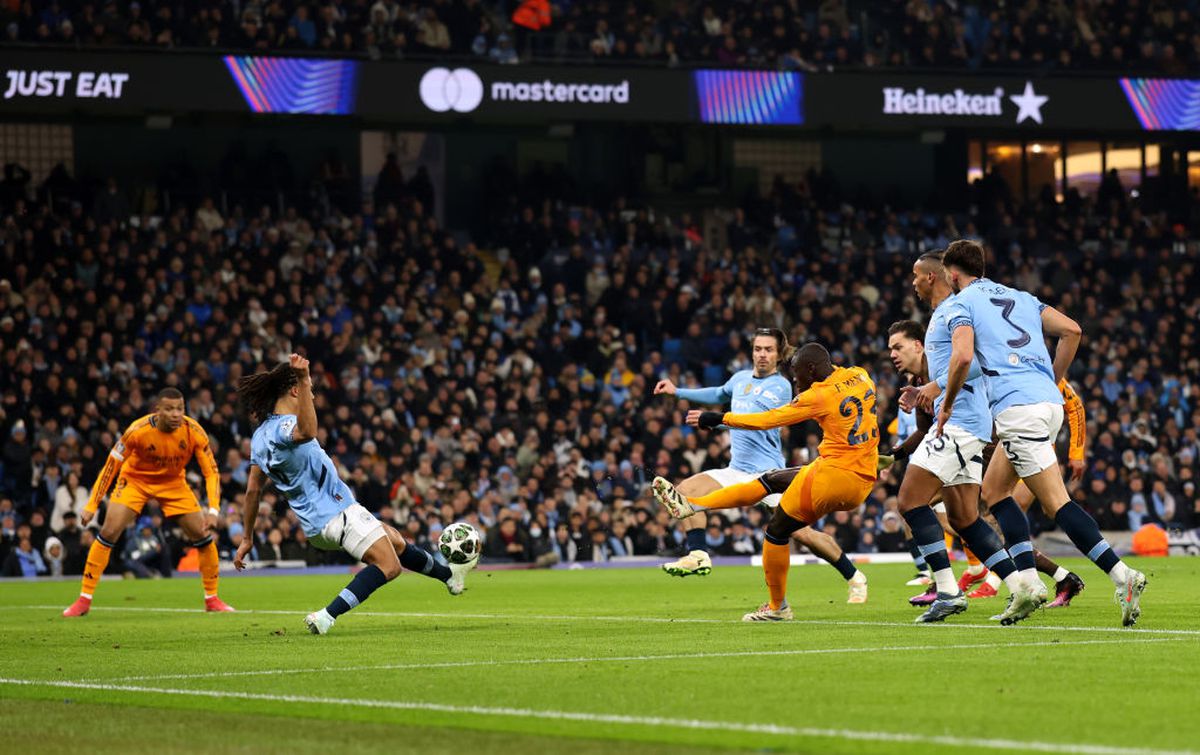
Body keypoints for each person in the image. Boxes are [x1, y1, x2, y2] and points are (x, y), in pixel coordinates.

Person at [934, 239, 1146, 627]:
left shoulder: (961, 302)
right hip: (1048, 405)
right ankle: (1028, 585)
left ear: (952, 275)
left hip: (1018, 410)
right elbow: (1073, 331)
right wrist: (1053, 377)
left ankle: (1122, 576)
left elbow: (963, 356)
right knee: (994, 492)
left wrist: (946, 403)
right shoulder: (1021, 296)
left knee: (1056, 504)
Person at [234, 355, 476, 635]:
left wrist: (247, 537)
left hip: (316, 526)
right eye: (309, 389)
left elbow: (253, 491)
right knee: (389, 565)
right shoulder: (285, 426)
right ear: (295, 390)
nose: (311, 394)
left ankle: (449, 577)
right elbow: (309, 431)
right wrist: (303, 375)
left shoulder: (260, 437)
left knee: (394, 540)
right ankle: (326, 616)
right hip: (336, 512)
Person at [653, 343, 878, 621]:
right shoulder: (860, 375)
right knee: (767, 483)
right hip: (840, 469)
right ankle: (694, 516)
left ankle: (792, 601)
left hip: (831, 474)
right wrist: (679, 393)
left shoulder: (800, 391)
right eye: (757, 348)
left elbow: (769, 419)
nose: (796, 381)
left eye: (797, 374)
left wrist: (720, 418)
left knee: (783, 530)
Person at [895, 253, 1034, 624]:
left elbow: (971, 360)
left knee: (909, 501)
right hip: (968, 422)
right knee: (964, 518)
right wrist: (926, 388)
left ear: (930, 276)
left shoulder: (955, 309)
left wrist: (938, 387)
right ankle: (1021, 587)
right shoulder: (946, 312)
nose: (912, 282)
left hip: (960, 422)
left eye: (915, 276)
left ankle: (948, 592)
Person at [62, 388, 233, 617]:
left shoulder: (194, 431)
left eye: (180, 409)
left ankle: (212, 599)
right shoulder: (137, 431)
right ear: (157, 410)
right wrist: (92, 504)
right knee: (109, 531)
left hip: (173, 483)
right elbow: (111, 465)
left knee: (202, 536)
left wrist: (213, 509)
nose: (175, 414)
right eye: (170, 409)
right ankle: (84, 600)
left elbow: (211, 472)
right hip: (135, 480)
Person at [968, 378, 1088, 607]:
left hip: (1035, 455)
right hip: (1005, 453)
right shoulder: (994, 368)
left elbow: (1076, 407)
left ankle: (1002, 584)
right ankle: (1061, 578)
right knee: (993, 519)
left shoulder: (1041, 370)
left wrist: (1076, 453)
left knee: (1006, 516)